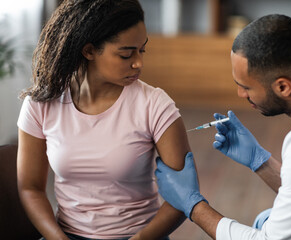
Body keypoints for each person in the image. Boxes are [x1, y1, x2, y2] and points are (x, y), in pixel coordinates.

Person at [155, 14, 291, 240]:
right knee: (268, 217)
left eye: (246, 87)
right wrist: (259, 160)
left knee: (268, 222)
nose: (240, 95)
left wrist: (192, 204)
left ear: (283, 86)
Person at [17, 0, 191, 239]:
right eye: (126, 54)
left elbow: (185, 195)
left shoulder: (155, 105)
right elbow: (30, 188)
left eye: (142, 50)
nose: (139, 62)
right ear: (89, 51)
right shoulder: (41, 103)